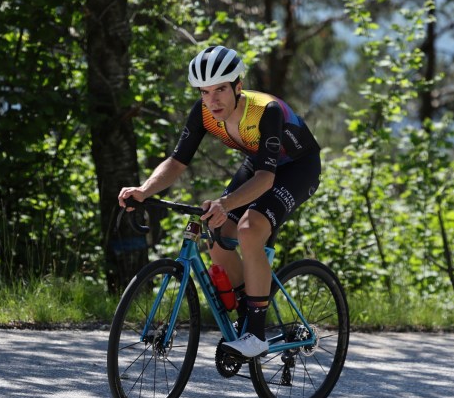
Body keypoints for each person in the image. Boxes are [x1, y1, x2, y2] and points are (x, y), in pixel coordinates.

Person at [118, 45, 321, 358]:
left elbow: (266, 180)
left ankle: (256, 334)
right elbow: (177, 161)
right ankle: (246, 310)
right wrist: (144, 190)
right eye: (205, 92)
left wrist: (224, 204)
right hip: (259, 163)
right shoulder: (203, 113)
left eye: (220, 90)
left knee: (250, 229)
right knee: (217, 238)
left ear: (238, 87)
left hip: (298, 168)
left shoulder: (266, 111)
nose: (212, 100)